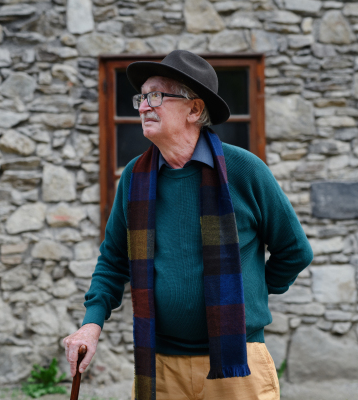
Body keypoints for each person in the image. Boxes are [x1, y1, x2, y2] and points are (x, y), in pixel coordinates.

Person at [63, 50, 313, 400]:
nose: (143, 107)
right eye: (141, 97)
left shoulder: (244, 170)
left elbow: (295, 250)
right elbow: (113, 259)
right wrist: (91, 323)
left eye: (156, 96)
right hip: (162, 365)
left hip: (237, 363)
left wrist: (251, 291)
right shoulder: (136, 176)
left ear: (194, 110)